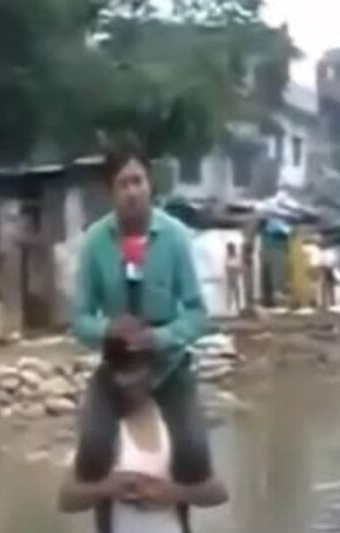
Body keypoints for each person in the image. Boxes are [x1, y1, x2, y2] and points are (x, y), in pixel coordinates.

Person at [70, 144, 215, 533]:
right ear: (111, 193)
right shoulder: (94, 243)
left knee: (193, 451)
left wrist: (162, 336)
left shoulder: (175, 237)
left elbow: (198, 314)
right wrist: (107, 329)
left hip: (168, 367)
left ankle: (178, 521)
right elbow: (79, 320)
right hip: (117, 368)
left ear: (150, 184)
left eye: (138, 181)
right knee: (94, 449)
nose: (132, 191)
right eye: (122, 184)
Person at [59, 346, 228, 532]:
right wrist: (109, 488)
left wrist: (174, 493)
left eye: (136, 378)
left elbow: (218, 493)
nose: (130, 387)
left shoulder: (176, 424)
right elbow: (66, 499)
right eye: (123, 378)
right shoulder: (101, 430)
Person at [225, 242, 243, 315]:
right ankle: (229, 307)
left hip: (234, 275)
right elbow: (226, 266)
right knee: (230, 292)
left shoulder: (236, 256)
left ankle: (237, 307)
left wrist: (236, 270)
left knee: (236, 291)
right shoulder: (228, 256)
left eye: (230, 248)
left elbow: (239, 266)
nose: (229, 250)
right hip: (230, 275)